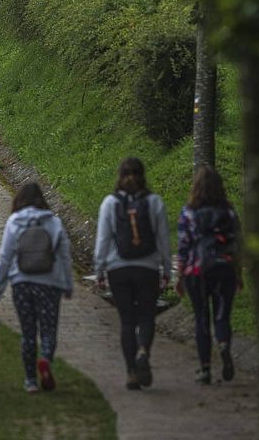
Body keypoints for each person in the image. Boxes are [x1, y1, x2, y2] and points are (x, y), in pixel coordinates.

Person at [93, 157, 172, 390]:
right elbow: (163, 240)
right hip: (147, 268)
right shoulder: (155, 202)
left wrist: (99, 269)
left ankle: (131, 373)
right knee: (147, 317)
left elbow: (103, 240)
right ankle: (143, 351)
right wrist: (166, 269)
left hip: (119, 268)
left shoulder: (110, 203)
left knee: (127, 321)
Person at [0, 182, 73, 393]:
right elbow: (64, 256)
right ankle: (45, 358)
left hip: (21, 283)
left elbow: (5, 257)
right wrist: (67, 284)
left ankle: (30, 381)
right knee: (48, 330)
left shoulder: (14, 221)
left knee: (28, 333)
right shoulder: (54, 222)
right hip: (49, 284)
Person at [175, 165, 243, 384]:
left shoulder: (189, 212)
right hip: (225, 268)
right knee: (222, 315)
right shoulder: (229, 212)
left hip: (197, 270)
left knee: (201, 318)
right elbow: (236, 244)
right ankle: (223, 344)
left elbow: (184, 245)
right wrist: (238, 273)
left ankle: (205, 369)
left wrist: (180, 276)